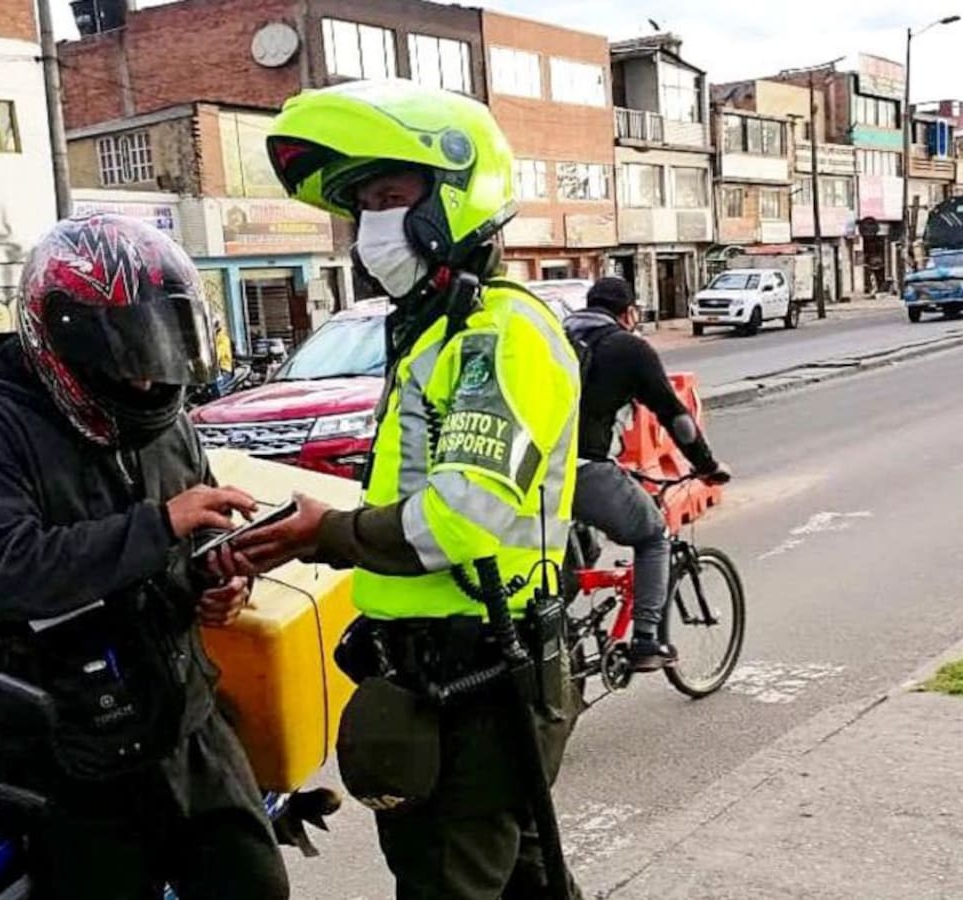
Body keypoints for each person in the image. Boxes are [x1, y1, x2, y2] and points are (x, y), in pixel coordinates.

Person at [236, 79, 583, 899]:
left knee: (450, 882)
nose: (373, 226)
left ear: (455, 201)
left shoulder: (499, 334)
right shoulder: (438, 333)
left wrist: (328, 533)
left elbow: (464, 518)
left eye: (391, 196)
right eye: (362, 208)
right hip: (441, 675)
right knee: (524, 883)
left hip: (475, 679)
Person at [0, 214, 289, 900]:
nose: (149, 379)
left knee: (255, 885)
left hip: (182, 719)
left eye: (160, 352)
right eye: (127, 355)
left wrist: (209, 583)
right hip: (59, 749)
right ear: (61, 340)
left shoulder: (165, 421)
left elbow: (174, 554)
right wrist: (161, 523)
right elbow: (1, 571)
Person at [564, 277, 730, 671]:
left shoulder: (555, 336)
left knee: (567, 550)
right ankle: (646, 642)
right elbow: (675, 416)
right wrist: (707, 467)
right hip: (581, 468)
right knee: (653, 535)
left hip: (525, 472)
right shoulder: (628, 348)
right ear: (628, 313)